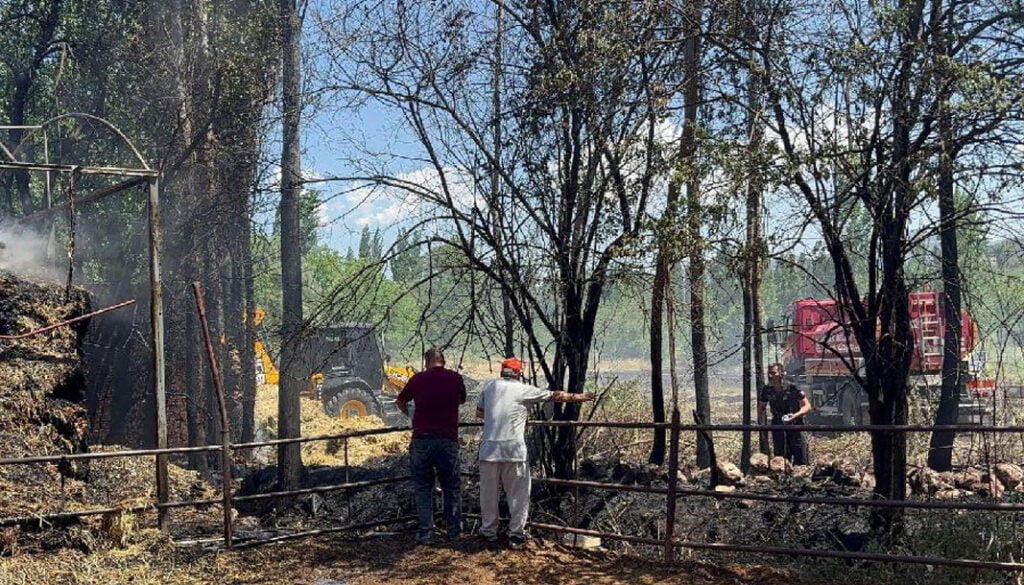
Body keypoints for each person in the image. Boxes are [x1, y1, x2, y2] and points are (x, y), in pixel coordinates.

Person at [475, 356, 595, 548]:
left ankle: (488, 531)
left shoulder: (489, 387)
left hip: (489, 449)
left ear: (502, 371)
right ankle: (516, 534)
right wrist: (578, 397)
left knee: (488, 495)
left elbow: (479, 413)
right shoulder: (523, 390)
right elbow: (554, 395)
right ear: (519, 373)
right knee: (518, 494)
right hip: (513, 450)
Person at [396, 347, 467, 545]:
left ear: (426, 362)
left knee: (423, 487)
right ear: (443, 361)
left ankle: (426, 532)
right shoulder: (455, 378)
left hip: (422, 439)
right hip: (447, 439)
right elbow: (461, 399)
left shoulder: (418, 379)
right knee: (451, 487)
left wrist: (412, 417)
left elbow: (400, 401)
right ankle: (453, 531)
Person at [758, 362, 812, 464]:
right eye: (769, 373)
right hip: (778, 426)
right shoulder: (767, 390)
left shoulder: (792, 388)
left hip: (795, 426)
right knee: (780, 460)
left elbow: (807, 406)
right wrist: (762, 426)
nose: (771, 376)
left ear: (781, 374)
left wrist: (795, 415)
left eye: (774, 373)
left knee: (800, 460)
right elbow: (761, 408)